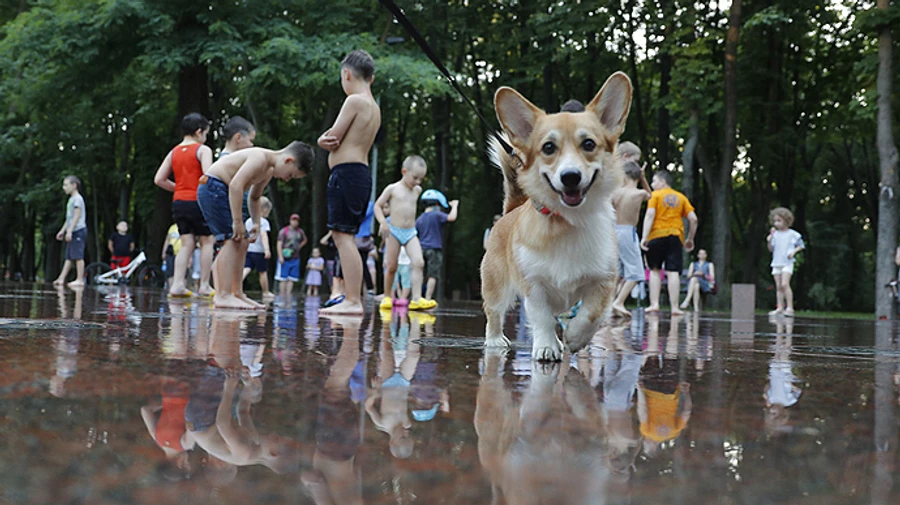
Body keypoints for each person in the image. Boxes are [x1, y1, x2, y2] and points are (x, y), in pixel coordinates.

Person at [196, 142, 314, 310]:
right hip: (213, 187)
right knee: (231, 240)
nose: (287, 179)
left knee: (243, 242)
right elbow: (236, 185)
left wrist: (257, 222)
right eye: (291, 175)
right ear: (288, 160)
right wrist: (237, 222)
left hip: (222, 190)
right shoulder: (260, 158)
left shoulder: (268, 171)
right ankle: (223, 295)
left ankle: (237, 293)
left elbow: (254, 197)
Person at [317, 49, 381, 316]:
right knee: (346, 237)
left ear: (347, 74)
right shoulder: (374, 107)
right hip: (359, 174)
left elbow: (333, 137)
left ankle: (353, 300)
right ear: (372, 78)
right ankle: (353, 297)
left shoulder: (354, 101)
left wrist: (321, 141)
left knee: (343, 237)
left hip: (347, 174)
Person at [154, 113, 215, 298]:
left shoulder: (173, 152)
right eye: (205, 134)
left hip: (179, 202)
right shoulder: (203, 150)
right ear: (199, 132)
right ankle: (204, 285)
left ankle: (178, 285)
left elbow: (159, 179)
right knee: (207, 242)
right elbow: (207, 177)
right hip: (198, 201)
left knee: (187, 243)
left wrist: (179, 188)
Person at [374, 155, 434, 311]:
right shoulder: (392, 189)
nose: (418, 182)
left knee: (419, 262)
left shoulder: (417, 190)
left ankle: (416, 299)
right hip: (394, 230)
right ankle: (387, 296)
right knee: (392, 266)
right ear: (404, 171)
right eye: (415, 178)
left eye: (421, 179)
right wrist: (383, 223)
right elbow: (377, 206)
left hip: (410, 232)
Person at [640, 170, 698, 315]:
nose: (652, 185)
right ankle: (675, 307)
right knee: (673, 272)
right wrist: (690, 238)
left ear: (663, 182)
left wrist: (644, 237)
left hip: (656, 235)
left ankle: (654, 304)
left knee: (654, 270)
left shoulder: (655, 196)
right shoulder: (681, 197)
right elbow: (693, 219)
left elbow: (650, 214)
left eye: (654, 181)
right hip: (675, 236)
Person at [610, 158, 652, 317]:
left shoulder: (616, 192)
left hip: (614, 231)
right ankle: (619, 301)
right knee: (637, 273)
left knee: (618, 272)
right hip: (628, 233)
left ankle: (609, 306)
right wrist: (643, 177)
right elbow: (650, 195)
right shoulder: (638, 193)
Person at [416, 189, 459, 302]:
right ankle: (428, 298)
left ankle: (417, 297)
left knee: (420, 273)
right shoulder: (436, 215)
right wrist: (455, 206)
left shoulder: (419, 218)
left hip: (421, 249)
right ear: (436, 204)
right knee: (432, 275)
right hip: (434, 249)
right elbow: (451, 217)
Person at [767, 207, 805, 317]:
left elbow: (801, 246)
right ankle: (779, 307)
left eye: (779, 220)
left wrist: (793, 252)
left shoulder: (792, 234)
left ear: (786, 220)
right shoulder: (775, 235)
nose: (776, 223)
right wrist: (769, 241)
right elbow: (771, 249)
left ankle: (790, 307)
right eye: (775, 221)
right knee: (778, 286)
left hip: (787, 262)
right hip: (776, 262)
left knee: (785, 284)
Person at [53, 175, 88, 287]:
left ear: (74, 185)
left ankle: (80, 279)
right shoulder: (71, 199)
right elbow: (69, 219)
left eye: (66, 185)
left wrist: (70, 231)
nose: (64, 187)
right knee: (69, 257)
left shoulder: (78, 199)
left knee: (78, 256)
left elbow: (77, 216)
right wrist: (62, 231)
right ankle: (61, 278)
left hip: (78, 230)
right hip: (73, 230)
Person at [241, 196, 274, 301]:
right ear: (265, 210)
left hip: (248, 250)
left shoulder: (248, 221)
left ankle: (235, 286)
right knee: (262, 271)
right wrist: (267, 249)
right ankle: (265, 292)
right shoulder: (263, 222)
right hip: (259, 251)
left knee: (246, 268)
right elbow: (264, 235)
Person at [275, 213, 308, 300]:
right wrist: (280, 256)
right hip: (285, 257)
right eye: (293, 220)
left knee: (292, 278)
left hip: (295, 257)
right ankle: (282, 295)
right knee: (283, 278)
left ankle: (288, 295)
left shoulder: (300, 231)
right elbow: (279, 244)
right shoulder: (284, 231)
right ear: (290, 221)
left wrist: (299, 247)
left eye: (296, 221)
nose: (295, 222)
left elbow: (305, 240)